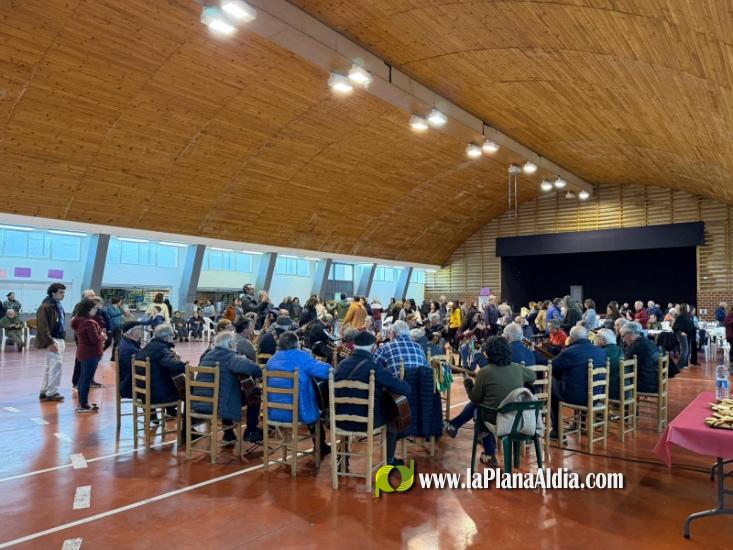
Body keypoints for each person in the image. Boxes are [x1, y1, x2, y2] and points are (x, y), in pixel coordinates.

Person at [334, 331, 411, 466]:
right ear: (374, 347)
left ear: (354, 346)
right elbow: (405, 389)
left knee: (350, 407)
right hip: (367, 423)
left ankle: (343, 459)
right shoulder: (374, 368)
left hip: (340, 421)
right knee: (393, 416)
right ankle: (389, 460)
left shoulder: (340, 366)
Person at [462, 336, 536, 466]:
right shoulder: (517, 368)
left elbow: (475, 398)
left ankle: (490, 454)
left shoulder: (484, 372)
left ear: (488, 353)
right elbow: (533, 376)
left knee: (480, 415)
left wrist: (468, 383)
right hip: (519, 418)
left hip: (498, 419)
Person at [266, 331, 331, 456]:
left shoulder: (272, 360)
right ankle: (321, 447)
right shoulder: (301, 357)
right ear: (296, 344)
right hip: (299, 412)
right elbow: (324, 372)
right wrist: (329, 365)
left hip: (275, 412)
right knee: (316, 412)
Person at [196, 331, 263, 444]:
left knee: (225, 390)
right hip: (218, 404)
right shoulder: (230, 357)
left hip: (202, 401)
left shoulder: (208, 355)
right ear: (231, 344)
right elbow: (255, 369)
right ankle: (251, 431)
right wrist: (243, 359)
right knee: (254, 395)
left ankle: (228, 433)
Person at [549, 325, 607, 437]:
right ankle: (580, 424)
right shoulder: (600, 351)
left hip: (576, 397)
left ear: (571, 338)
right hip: (596, 396)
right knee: (580, 382)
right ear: (587, 336)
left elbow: (552, 367)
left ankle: (556, 430)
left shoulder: (569, 351)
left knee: (553, 385)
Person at [134, 324, 187, 405]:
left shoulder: (149, 346)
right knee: (187, 391)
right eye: (172, 336)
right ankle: (185, 413)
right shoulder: (162, 348)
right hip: (156, 394)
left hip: (143, 393)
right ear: (168, 337)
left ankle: (171, 411)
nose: (173, 339)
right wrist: (186, 367)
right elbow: (171, 363)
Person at [71, 298, 105, 413]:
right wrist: (102, 336)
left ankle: (83, 401)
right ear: (88, 309)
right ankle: (83, 404)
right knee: (86, 379)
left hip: (83, 351)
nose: (96, 310)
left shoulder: (79, 320)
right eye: (95, 308)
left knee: (83, 378)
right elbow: (95, 339)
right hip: (90, 353)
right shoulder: (89, 322)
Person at [36, 283, 67, 402]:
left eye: (64, 292)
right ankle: (52, 392)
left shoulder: (58, 305)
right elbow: (42, 326)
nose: (63, 295)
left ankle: (45, 391)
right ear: (53, 293)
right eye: (60, 292)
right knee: (56, 367)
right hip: (53, 339)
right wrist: (50, 342)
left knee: (51, 366)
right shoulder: (45, 306)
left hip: (59, 338)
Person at [620, 321, 660, 392]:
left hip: (646, 384)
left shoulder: (637, 345)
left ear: (629, 334)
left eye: (623, 336)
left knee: (615, 381)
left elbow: (627, 366)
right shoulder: (646, 341)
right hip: (654, 380)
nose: (623, 340)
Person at [594, 329, 623, 400]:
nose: (594, 339)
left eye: (596, 337)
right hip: (623, 387)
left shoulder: (602, 352)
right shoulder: (619, 349)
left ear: (603, 339)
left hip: (611, 389)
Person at [118, 322, 144, 399]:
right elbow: (137, 368)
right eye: (139, 329)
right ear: (131, 332)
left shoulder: (127, 342)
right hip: (130, 386)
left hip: (129, 381)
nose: (142, 331)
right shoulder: (129, 349)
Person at [672, 303, 696, 367]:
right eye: (687, 307)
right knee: (685, 350)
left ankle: (685, 364)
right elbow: (676, 327)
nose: (689, 308)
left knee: (687, 350)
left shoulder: (687, 316)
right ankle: (679, 365)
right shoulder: (680, 316)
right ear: (684, 308)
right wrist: (681, 332)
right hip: (682, 335)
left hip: (687, 335)